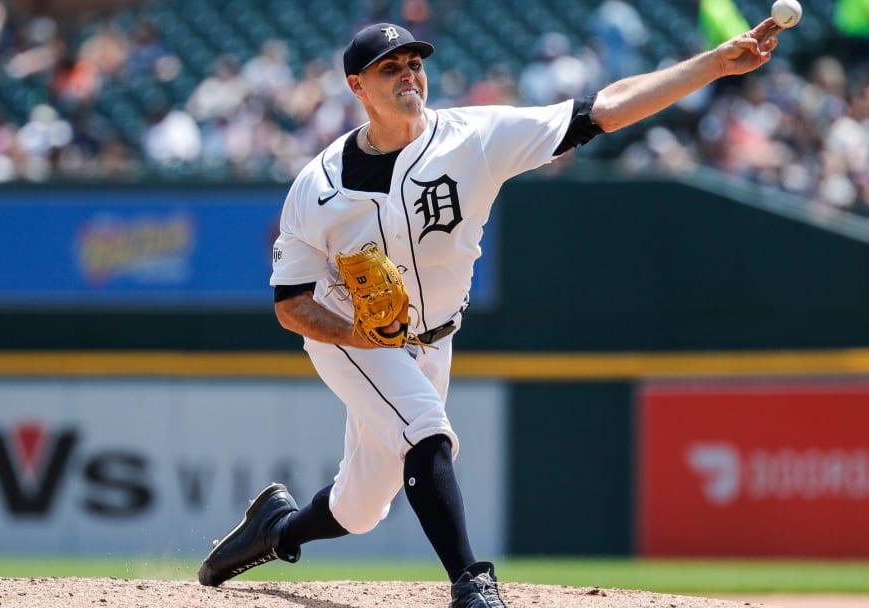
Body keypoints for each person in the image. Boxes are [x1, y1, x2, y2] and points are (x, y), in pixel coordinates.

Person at [197, 18, 781, 608]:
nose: (408, 75)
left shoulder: (473, 137)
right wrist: (359, 332)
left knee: (361, 508)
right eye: (390, 68)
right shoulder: (316, 185)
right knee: (426, 430)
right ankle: (471, 583)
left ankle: (274, 528)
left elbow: (601, 110)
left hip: (434, 340)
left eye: (414, 63)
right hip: (348, 334)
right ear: (358, 86)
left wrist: (710, 64)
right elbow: (291, 303)